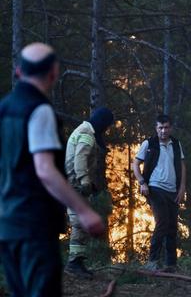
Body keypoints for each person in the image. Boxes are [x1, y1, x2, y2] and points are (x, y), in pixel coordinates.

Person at [0, 43, 105, 296]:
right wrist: (84, 210)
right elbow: (45, 170)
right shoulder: (39, 110)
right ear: (53, 73)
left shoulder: (4, 108)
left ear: (19, 71)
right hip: (34, 224)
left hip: (7, 224)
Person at [64, 106, 115, 278]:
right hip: (76, 185)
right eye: (107, 125)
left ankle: (77, 261)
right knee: (78, 223)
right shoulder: (86, 133)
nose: (107, 129)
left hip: (74, 183)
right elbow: (80, 158)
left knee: (80, 222)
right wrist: (85, 181)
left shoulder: (85, 130)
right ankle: (73, 264)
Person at [132, 114, 186, 272]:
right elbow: (135, 164)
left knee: (172, 227)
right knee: (162, 222)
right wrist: (142, 182)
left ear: (171, 128)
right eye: (160, 128)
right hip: (155, 188)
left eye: (166, 127)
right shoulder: (149, 143)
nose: (163, 131)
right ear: (156, 128)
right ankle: (152, 262)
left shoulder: (176, 144)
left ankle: (171, 265)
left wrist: (182, 188)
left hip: (173, 190)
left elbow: (182, 165)